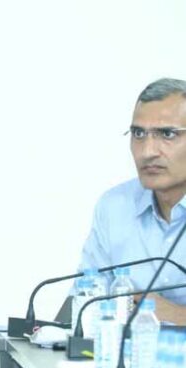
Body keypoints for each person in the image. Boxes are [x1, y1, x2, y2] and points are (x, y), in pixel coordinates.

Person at [78, 78, 186, 325]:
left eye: (167, 134)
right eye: (138, 134)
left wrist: (177, 315)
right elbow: (84, 303)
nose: (147, 151)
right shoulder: (114, 206)